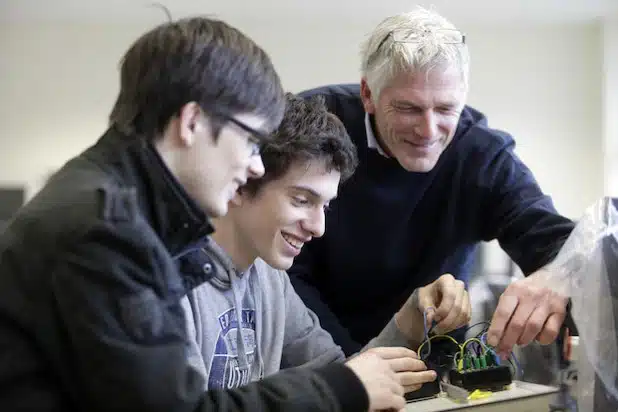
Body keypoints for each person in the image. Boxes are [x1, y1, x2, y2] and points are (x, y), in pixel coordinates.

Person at [0, 17, 402, 412]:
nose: (256, 165)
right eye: (249, 140)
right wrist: (335, 392)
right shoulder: (106, 229)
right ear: (192, 122)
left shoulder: (107, 204)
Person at [288, 6, 574, 359]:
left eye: (445, 109)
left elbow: (553, 239)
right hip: (312, 353)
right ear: (368, 95)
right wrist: (349, 367)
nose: (428, 131)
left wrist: (558, 274)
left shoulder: (481, 155)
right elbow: (283, 271)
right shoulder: (313, 126)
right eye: (408, 108)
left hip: (432, 363)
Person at [178, 93, 471, 395]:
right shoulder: (167, 284)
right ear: (241, 180)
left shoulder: (270, 279)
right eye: (302, 200)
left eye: (325, 206)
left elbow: (342, 382)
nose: (318, 228)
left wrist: (407, 324)